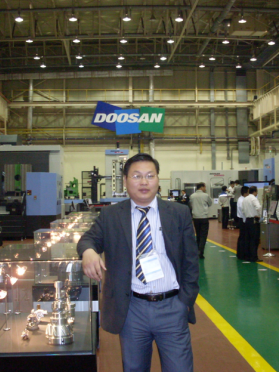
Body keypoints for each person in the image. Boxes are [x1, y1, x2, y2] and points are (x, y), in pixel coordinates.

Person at [78, 153, 199, 372]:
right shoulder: (111, 215)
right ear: (125, 181)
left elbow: (191, 260)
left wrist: (185, 301)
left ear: (158, 179)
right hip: (132, 309)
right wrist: (88, 251)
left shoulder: (178, 213)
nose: (144, 182)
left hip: (172, 307)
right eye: (136, 176)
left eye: (150, 176)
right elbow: (88, 239)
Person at [190, 182, 213, 259]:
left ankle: (197, 251)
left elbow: (191, 205)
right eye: (205, 187)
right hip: (204, 217)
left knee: (198, 234)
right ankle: (200, 252)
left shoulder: (192, 196)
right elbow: (210, 203)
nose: (205, 188)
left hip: (195, 218)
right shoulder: (206, 195)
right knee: (203, 235)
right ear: (202, 187)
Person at [241, 186, 262, 262]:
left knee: (248, 239)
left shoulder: (245, 199)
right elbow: (259, 207)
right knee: (254, 239)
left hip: (247, 220)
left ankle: (248, 256)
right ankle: (254, 257)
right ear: (255, 192)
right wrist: (259, 215)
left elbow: (243, 210)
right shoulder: (254, 198)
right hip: (254, 220)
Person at [236, 187, 250, 260]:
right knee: (243, 237)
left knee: (242, 237)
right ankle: (242, 254)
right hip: (243, 220)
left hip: (242, 219)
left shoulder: (241, 199)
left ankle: (241, 254)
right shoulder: (242, 200)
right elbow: (243, 211)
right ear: (245, 193)